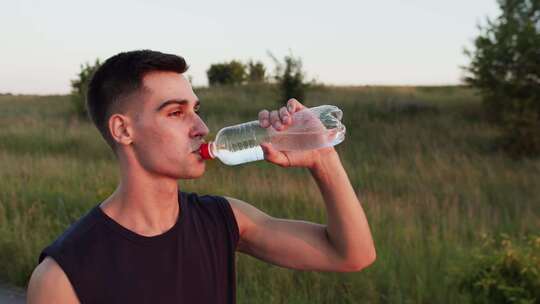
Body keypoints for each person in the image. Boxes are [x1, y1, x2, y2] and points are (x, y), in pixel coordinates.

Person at [26, 50, 376, 303]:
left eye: (197, 110)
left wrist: (322, 158)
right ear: (123, 129)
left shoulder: (224, 220)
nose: (202, 128)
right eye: (176, 112)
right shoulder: (62, 277)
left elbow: (351, 255)